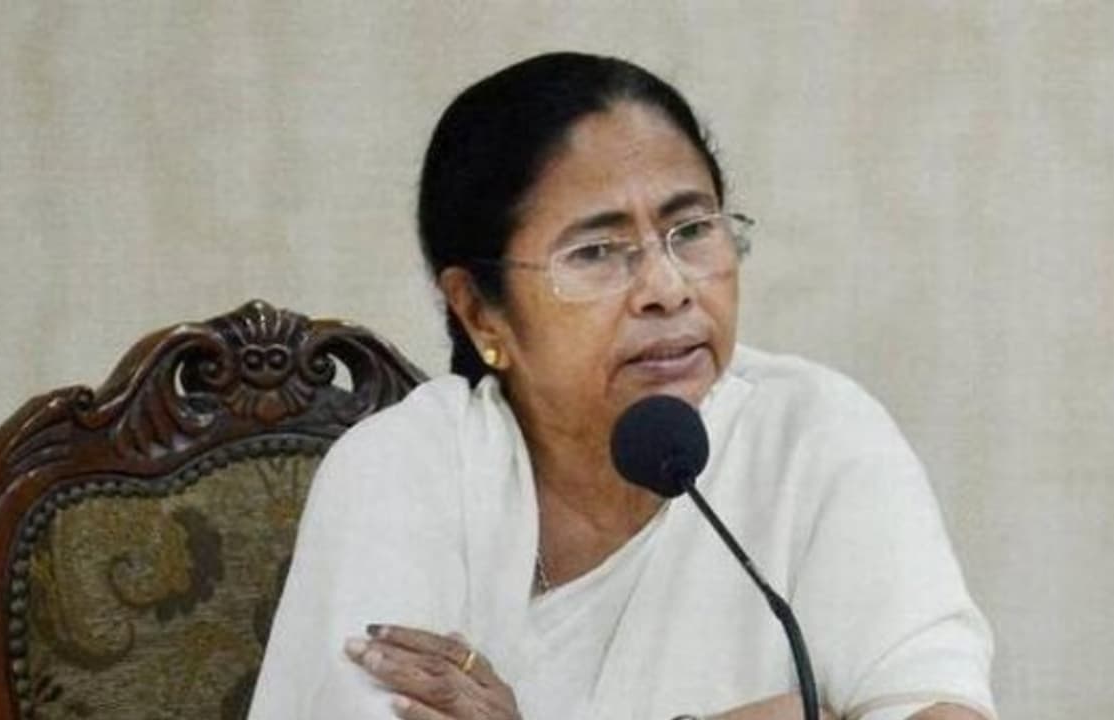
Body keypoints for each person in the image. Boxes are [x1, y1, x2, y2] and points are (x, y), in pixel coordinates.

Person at [248, 52, 996, 720]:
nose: (668, 289)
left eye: (692, 231)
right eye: (598, 251)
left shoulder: (815, 434)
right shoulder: (405, 469)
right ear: (480, 311)